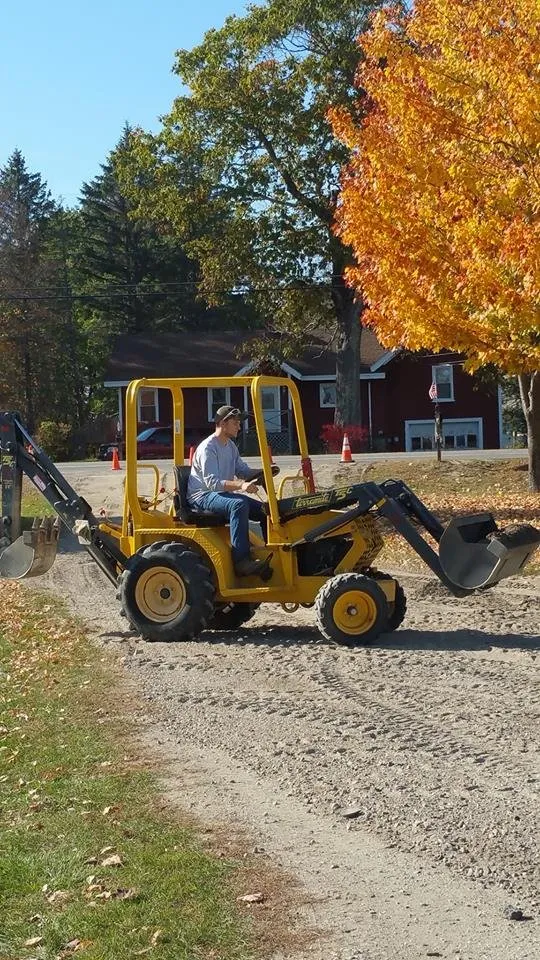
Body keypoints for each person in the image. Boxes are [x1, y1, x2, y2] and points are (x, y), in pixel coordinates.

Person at [187, 405, 271, 577]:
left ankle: (272, 552)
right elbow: (212, 483)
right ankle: (241, 561)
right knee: (238, 505)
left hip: (220, 494)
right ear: (223, 424)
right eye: (235, 423)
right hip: (202, 496)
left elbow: (242, 471)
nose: (239, 427)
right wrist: (241, 486)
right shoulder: (208, 448)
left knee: (266, 510)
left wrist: (264, 472)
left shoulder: (230, 446)